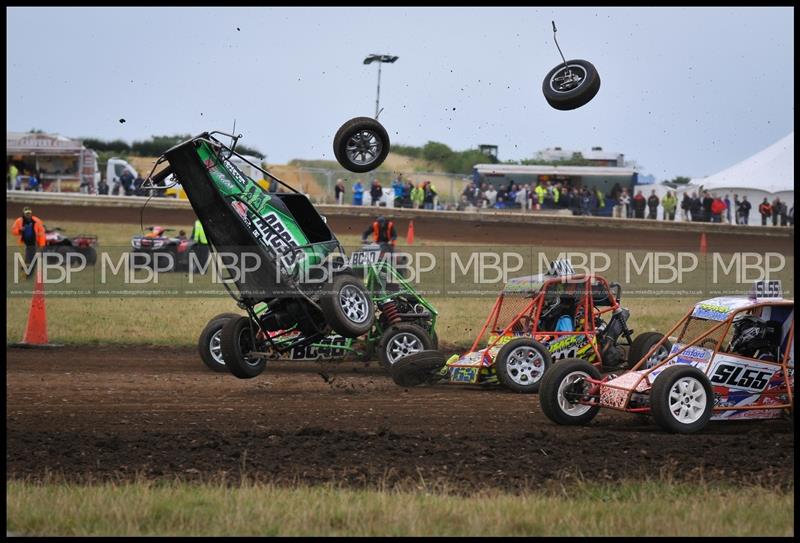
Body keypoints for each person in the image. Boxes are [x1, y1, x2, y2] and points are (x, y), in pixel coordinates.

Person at [11, 206, 46, 278]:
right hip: (24, 243)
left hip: (34, 242)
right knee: (30, 258)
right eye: (26, 213)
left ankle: (28, 273)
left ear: (31, 213)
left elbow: (41, 233)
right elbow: (13, 231)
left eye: (29, 213)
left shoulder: (37, 221)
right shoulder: (19, 221)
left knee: (33, 258)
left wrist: (42, 244)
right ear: (23, 214)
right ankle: (26, 271)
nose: (28, 215)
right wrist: (20, 230)